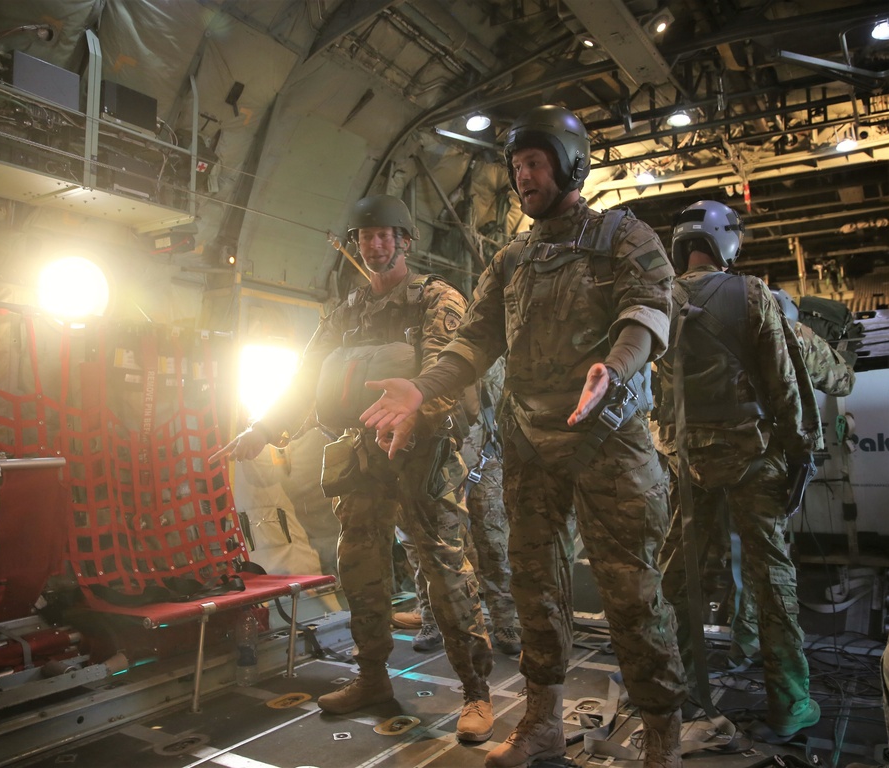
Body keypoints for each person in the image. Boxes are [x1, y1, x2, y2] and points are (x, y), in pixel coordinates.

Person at [360, 105, 688, 768]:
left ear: (569, 163)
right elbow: (474, 339)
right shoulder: (512, 258)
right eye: (514, 168)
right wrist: (423, 387)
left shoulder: (622, 235)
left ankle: (662, 736)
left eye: (535, 163)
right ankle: (541, 722)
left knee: (633, 595)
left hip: (610, 445)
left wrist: (615, 367)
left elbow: (651, 308)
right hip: (532, 447)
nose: (522, 177)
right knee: (535, 589)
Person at [216, 194, 495, 743]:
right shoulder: (347, 311)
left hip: (422, 454)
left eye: (384, 235)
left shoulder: (436, 299)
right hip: (362, 455)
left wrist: (416, 416)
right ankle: (371, 679)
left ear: (405, 241)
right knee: (361, 566)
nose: (373, 244)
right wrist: (265, 429)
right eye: (365, 236)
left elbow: (451, 369)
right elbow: (305, 375)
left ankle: (477, 693)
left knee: (446, 573)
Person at [650, 200, 823, 738]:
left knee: (676, 577)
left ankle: (667, 693)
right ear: (724, 240)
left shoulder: (658, 299)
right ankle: (790, 704)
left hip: (687, 461)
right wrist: (800, 451)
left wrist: (673, 450)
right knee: (771, 578)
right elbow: (784, 383)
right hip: (753, 459)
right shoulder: (751, 295)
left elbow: (653, 396)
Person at [727, 288, 856, 666]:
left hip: (707, 462)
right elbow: (842, 381)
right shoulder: (794, 333)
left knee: (731, 557)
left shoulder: (717, 330)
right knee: (767, 564)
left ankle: (733, 648)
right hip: (766, 463)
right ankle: (778, 671)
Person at [398, 358, 522, 657]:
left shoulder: (482, 351)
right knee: (425, 548)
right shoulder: (421, 350)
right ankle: (432, 619)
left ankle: (505, 621)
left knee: (494, 544)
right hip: (436, 462)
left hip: (484, 458)